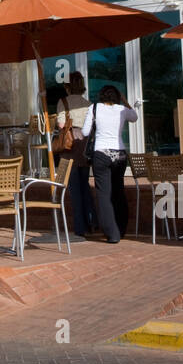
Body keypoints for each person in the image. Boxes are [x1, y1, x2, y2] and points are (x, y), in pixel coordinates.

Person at [80, 85, 138, 244]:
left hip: (101, 154)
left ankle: (112, 234)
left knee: (104, 195)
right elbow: (135, 117)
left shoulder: (95, 108)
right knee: (118, 192)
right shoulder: (122, 109)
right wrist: (125, 101)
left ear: (101, 96)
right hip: (119, 154)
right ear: (117, 97)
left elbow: (85, 133)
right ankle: (121, 228)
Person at [55, 72, 94, 238]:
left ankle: (79, 228)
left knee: (74, 188)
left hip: (70, 146)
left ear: (68, 86)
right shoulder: (89, 104)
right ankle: (91, 222)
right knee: (85, 185)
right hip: (84, 146)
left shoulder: (63, 102)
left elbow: (61, 124)